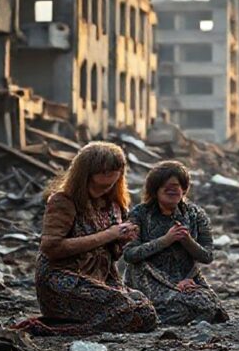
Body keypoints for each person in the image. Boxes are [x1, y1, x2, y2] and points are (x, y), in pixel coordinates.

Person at [15, 142, 157, 336]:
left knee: (146, 311)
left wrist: (122, 240)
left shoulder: (114, 205)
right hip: (63, 281)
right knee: (123, 307)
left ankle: (62, 325)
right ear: (84, 175)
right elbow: (51, 247)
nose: (105, 188)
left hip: (99, 281)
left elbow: (111, 255)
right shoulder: (63, 201)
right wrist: (109, 234)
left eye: (111, 181)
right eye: (100, 181)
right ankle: (53, 329)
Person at [123, 160, 228, 325]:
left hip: (187, 279)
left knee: (212, 308)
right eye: (165, 185)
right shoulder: (139, 214)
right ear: (155, 189)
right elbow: (130, 254)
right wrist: (165, 240)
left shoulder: (195, 214)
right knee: (176, 308)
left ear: (184, 189)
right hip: (149, 277)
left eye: (176, 185)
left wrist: (187, 240)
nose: (171, 189)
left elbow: (207, 256)